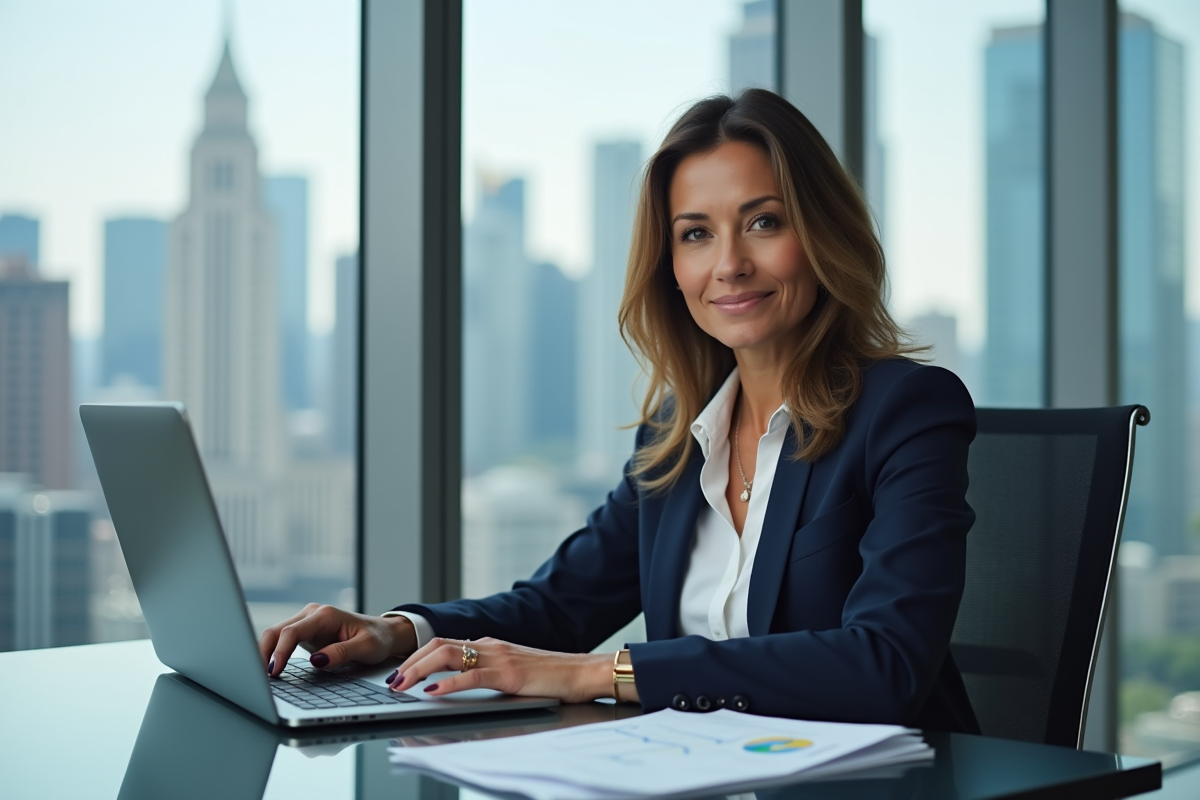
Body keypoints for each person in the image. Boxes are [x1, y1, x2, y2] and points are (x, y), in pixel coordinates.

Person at [259, 88, 980, 732]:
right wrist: (397, 632)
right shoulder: (676, 435)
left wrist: (601, 674)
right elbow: (557, 607)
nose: (728, 263)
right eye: (696, 233)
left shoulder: (907, 410)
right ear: (671, 267)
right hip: (703, 775)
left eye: (763, 223)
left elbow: (884, 666)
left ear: (822, 236)